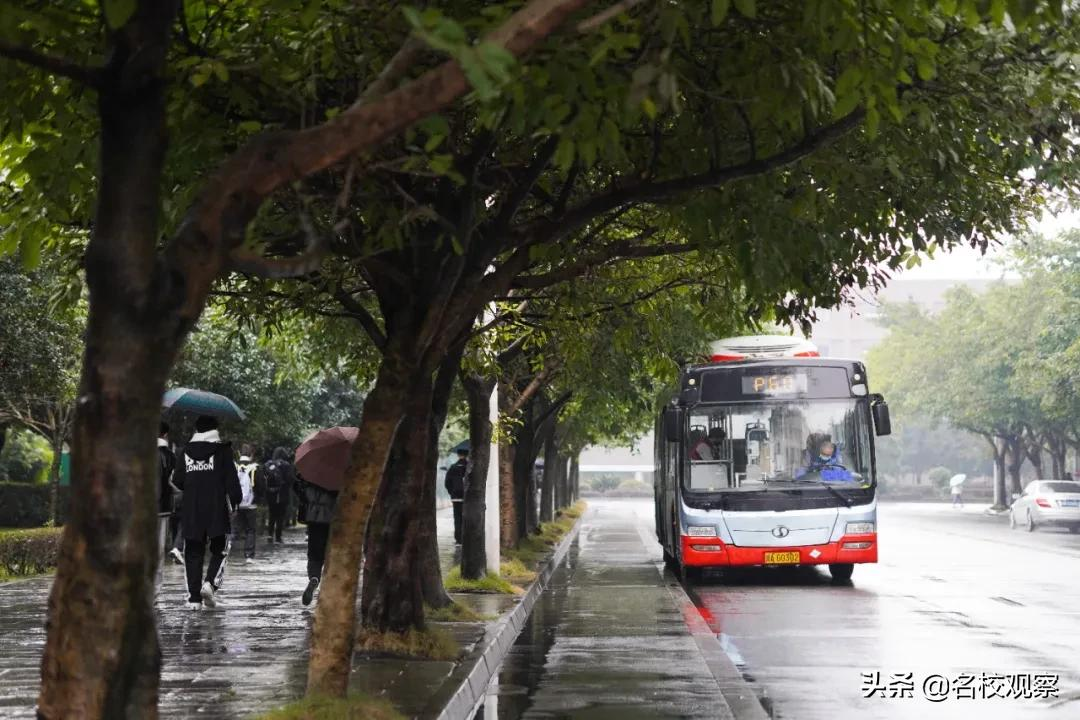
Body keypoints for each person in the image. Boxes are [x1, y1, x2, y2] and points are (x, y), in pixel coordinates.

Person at [174, 416, 242, 609]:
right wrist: (235, 501)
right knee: (220, 548)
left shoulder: (185, 451)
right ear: (215, 430)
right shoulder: (222, 450)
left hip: (192, 508)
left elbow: (178, 480)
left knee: (193, 551)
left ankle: (194, 598)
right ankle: (209, 583)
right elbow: (231, 481)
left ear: (196, 430)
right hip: (216, 507)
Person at [294, 471, 338, 606]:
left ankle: (314, 578)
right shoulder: (340, 472)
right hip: (334, 519)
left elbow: (298, 487)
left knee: (314, 555)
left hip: (314, 519)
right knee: (333, 554)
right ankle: (331, 591)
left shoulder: (312, 470)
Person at [263, 447, 296, 543]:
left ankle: (269, 535)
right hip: (282, 493)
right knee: (280, 516)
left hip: (270, 493)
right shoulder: (286, 465)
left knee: (272, 514)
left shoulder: (268, 464)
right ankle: (278, 536)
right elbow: (290, 479)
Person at [158, 422, 179, 564]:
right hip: (162, 506)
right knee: (159, 546)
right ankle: (156, 585)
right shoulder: (170, 455)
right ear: (165, 434)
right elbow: (175, 480)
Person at [234, 444, 259, 562]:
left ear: (239, 453)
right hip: (251, 504)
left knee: (234, 528)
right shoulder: (255, 467)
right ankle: (249, 555)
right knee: (250, 530)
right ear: (252, 454)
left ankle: (225, 549)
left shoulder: (233, 466)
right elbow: (261, 486)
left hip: (236, 503)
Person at [444, 448, 469, 544]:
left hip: (456, 497)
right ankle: (466, 537)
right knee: (466, 518)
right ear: (467, 455)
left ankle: (458, 538)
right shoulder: (469, 467)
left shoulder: (453, 467)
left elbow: (447, 483)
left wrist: (452, 492)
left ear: (458, 455)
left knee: (457, 517)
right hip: (467, 497)